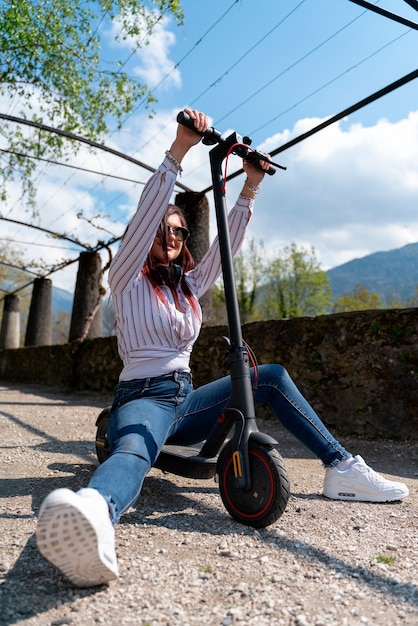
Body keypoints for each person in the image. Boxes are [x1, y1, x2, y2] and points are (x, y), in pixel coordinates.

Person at [36, 108, 409, 588]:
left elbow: (223, 255)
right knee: (134, 450)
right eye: (163, 229)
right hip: (143, 396)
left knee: (268, 377)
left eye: (179, 230)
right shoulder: (127, 275)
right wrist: (180, 149)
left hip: (184, 399)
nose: (171, 235)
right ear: (145, 237)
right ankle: (94, 515)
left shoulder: (188, 286)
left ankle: (342, 468)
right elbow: (149, 208)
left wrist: (250, 186)